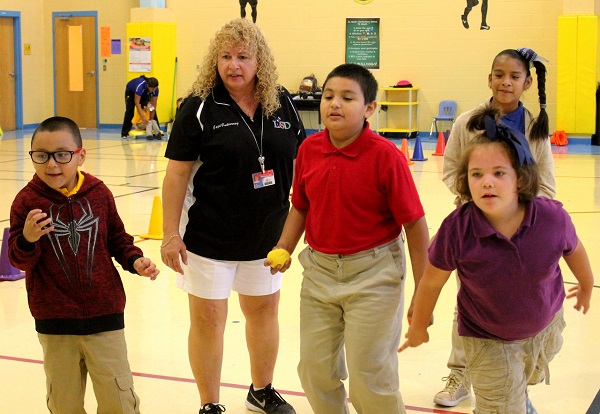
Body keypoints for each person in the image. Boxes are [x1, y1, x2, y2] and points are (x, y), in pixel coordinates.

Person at [399, 110, 594, 413]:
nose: (486, 182)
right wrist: (419, 326)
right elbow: (432, 281)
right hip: (486, 337)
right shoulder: (458, 228)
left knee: (519, 384)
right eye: (477, 174)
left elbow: (575, 250)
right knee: (501, 403)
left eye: (499, 173)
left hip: (545, 328)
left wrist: (585, 284)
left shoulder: (551, 218)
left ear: (521, 177)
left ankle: (512, 400)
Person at [160, 18, 305, 414]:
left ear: (260, 61)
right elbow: (175, 174)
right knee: (208, 318)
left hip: (268, 236)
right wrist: (170, 234)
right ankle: (210, 403)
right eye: (225, 56)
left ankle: (262, 390)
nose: (233, 65)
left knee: (264, 311)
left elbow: (304, 160)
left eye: (243, 56)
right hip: (209, 237)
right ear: (215, 60)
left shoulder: (282, 101)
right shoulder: (199, 106)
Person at [266, 63, 430, 414]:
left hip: (375, 275)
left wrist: (423, 290)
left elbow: (415, 225)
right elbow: (300, 207)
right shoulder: (308, 149)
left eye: (347, 97)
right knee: (314, 370)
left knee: (369, 373)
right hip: (320, 273)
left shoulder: (385, 157)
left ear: (370, 108)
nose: (334, 104)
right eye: (328, 96)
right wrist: (283, 247)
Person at [7, 116, 160, 413]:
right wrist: (27, 239)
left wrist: (135, 259)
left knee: (119, 400)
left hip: (105, 317)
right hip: (55, 322)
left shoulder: (99, 193)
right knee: (64, 402)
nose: (51, 165)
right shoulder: (26, 202)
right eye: (41, 156)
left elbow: (117, 238)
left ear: (81, 155)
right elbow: (18, 259)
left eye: (62, 155)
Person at [435, 47, 556, 407]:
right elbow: (452, 169)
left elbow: (546, 184)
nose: (506, 82)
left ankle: (517, 380)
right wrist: (480, 205)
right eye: (499, 75)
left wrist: (521, 214)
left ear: (528, 83)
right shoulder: (467, 123)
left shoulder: (535, 129)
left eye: (514, 76)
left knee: (521, 306)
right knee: (470, 304)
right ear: (489, 79)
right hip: (476, 232)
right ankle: (460, 372)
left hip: (524, 235)